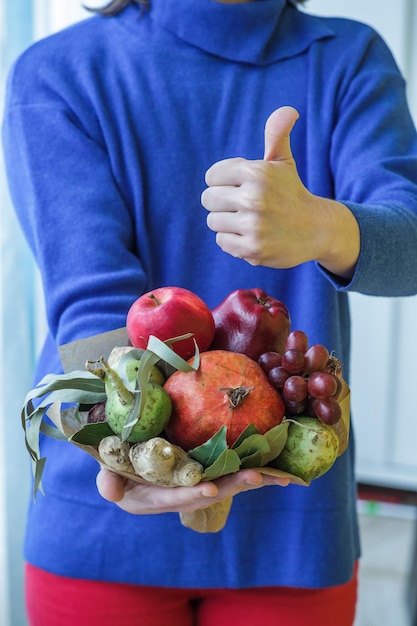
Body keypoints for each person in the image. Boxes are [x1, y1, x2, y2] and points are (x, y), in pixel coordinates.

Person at [2, 0, 417, 624]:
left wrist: (323, 227)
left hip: (290, 526)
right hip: (106, 517)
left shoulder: (348, 58)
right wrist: (124, 448)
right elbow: (90, 296)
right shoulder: (58, 71)